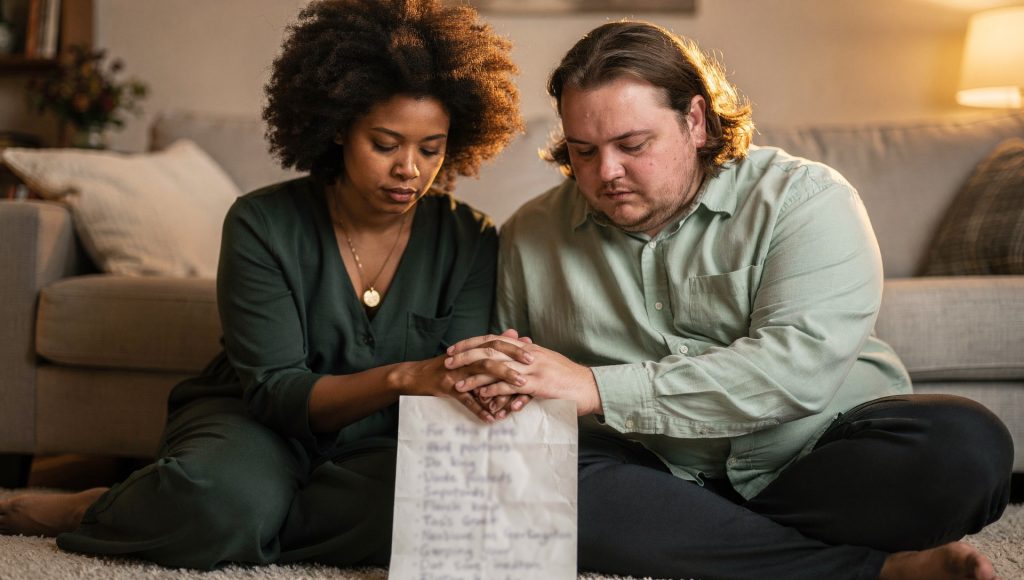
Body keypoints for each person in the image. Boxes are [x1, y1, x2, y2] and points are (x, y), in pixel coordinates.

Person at [447, 21, 1014, 580]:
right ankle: (866, 570)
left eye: (632, 145)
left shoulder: (804, 199)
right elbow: (521, 386)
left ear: (695, 120)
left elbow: (796, 371)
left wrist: (595, 388)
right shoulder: (529, 235)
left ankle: (702, 539)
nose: (605, 172)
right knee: (532, 475)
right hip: (650, 470)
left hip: (814, 454)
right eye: (583, 150)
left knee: (967, 446)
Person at [0, 0, 526, 569]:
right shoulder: (262, 223)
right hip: (259, 424)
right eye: (385, 143)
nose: (410, 170)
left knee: (429, 514)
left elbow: (457, 374)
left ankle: (184, 509)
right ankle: (103, 509)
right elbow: (276, 390)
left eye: (431, 148)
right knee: (218, 500)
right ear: (339, 129)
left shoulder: (471, 239)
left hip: (383, 442)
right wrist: (405, 375)